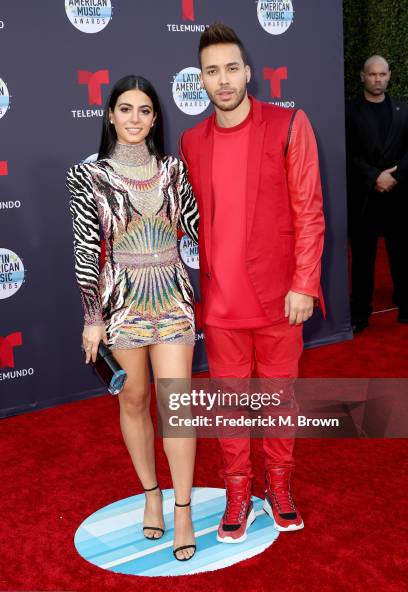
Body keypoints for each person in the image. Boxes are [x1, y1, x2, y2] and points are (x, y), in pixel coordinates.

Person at [179, 24, 325, 542]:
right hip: (220, 306)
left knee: (279, 398)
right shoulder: (191, 141)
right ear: (201, 79)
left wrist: (305, 282)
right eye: (212, 71)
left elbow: (309, 210)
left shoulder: (289, 124)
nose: (223, 80)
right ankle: (238, 491)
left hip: (281, 299)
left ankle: (279, 485)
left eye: (231, 68)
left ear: (248, 71)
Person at [67, 75, 198, 561]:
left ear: (156, 117)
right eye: (126, 109)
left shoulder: (173, 170)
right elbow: (85, 250)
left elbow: (198, 226)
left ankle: (182, 507)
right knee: (134, 400)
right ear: (109, 115)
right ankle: (152, 496)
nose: (135, 119)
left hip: (173, 298)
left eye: (145, 110)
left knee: (177, 403)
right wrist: (91, 317)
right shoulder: (87, 177)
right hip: (121, 301)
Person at [346, 55, 408, 333]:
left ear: (390, 75)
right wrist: (375, 177)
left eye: (383, 74)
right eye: (372, 74)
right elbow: (347, 153)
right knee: (362, 259)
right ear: (362, 76)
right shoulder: (349, 112)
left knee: (402, 256)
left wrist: (395, 175)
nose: (378, 79)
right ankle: (360, 313)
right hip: (365, 198)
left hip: (398, 196)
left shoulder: (402, 109)